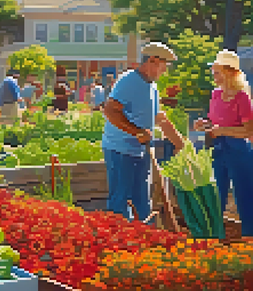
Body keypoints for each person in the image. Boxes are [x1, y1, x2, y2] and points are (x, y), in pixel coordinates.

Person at [102, 42, 184, 223]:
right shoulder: (128, 81)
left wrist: (179, 143)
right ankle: (118, 240)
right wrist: (137, 132)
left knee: (142, 199)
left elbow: (158, 117)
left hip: (141, 150)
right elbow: (110, 111)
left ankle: (145, 238)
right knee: (120, 199)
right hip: (120, 150)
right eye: (164, 65)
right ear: (152, 61)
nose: (165, 71)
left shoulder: (151, 86)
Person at [194, 50, 253, 237]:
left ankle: (249, 238)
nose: (213, 74)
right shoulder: (215, 95)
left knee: (244, 196)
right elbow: (214, 123)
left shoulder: (242, 97)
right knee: (215, 195)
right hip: (217, 148)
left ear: (229, 72)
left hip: (239, 150)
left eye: (217, 71)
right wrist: (204, 124)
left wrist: (222, 130)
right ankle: (215, 238)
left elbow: (249, 131)